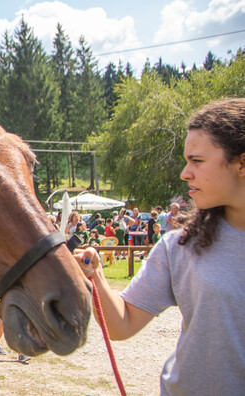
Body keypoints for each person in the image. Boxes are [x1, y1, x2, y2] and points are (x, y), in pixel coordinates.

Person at [74, 98, 245, 395]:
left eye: (197, 161)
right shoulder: (181, 246)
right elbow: (122, 324)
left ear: (241, 163)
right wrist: (96, 277)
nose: (184, 172)